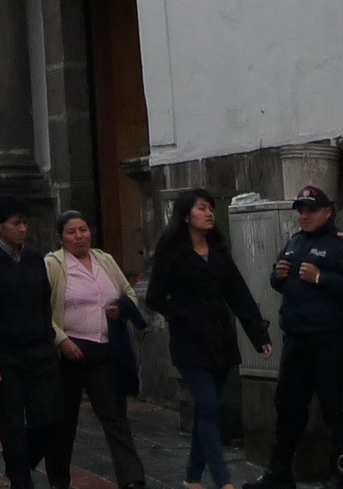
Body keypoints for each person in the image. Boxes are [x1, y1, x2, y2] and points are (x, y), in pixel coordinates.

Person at [146, 189, 273, 489]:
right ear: (186, 215)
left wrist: (258, 334)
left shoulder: (218, 251)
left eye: (210, 208)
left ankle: (192, 477)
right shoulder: (172, 252)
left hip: (220, 341)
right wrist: (181, 315)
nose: (208, 214)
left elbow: (238, 294)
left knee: (208, 409)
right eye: (201, 208)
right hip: (190, 342)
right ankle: (222, 478)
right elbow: (154, 297)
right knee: (208, 407)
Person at [245, 186, 343, 489]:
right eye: (300, 210)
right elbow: (280, 282)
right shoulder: (295, 242)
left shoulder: (341, 245)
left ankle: (341, 473)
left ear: (327, 212)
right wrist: (278, 276)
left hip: (329, 340)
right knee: (288, 406)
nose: (304, 216)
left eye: (311, 210)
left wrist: (321, 278)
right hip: (296, 338)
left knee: (335, 409)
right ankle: (279, 472)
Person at [46, 210, 146, 489]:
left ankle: (132, 479)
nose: (79, 236)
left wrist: (121, 309)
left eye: (83, 230)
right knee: (64, 422)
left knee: (115, 417)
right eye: (71, 232)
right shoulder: (53, 265)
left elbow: (129, 293)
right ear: (61, 238)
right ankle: (58, 481)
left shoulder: (105, 260)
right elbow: (41, 311)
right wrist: (62, 340)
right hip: (69, 352)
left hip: (104, 351)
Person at [0, 194, 62, 489]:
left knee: (47, 418)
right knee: (11, 424)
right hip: (5, 354)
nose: (22, 229)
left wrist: (48, 339)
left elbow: (44, 300)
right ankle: (21, 481)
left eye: (24, 223)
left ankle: (18, 465)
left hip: (39, 350)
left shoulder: (34, 257)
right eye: (15, 223)